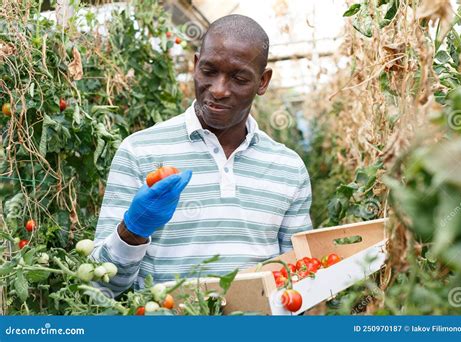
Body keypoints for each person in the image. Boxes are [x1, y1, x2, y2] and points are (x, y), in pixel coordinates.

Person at [92, 14, 313, 296]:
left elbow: (298, 277)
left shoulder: (288, 167)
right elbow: (99, 287)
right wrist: (132, 231)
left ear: (263, 81)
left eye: (239, 78)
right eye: (209, 71)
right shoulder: (139, 151)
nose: (219, 90)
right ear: (195, 65)